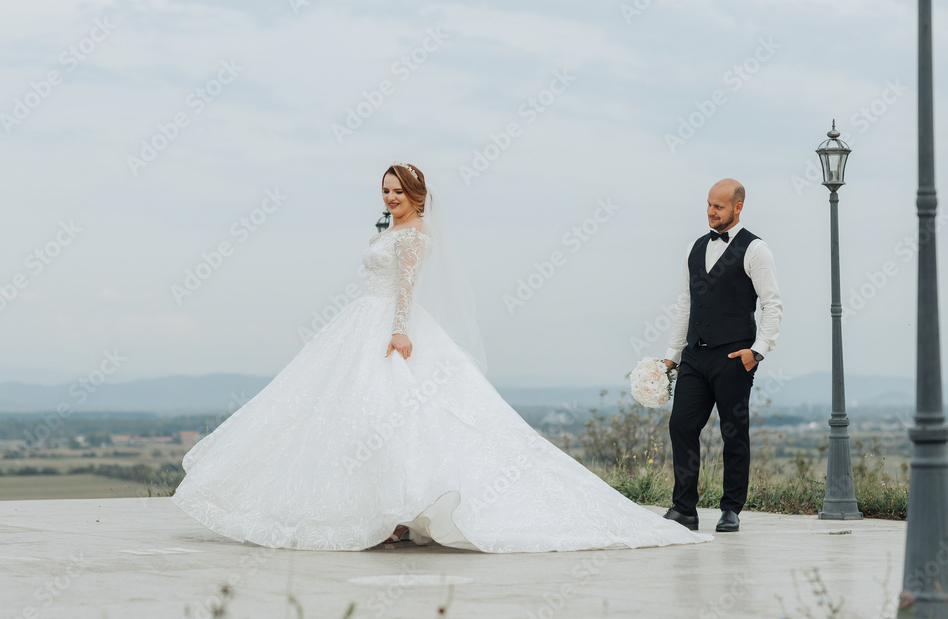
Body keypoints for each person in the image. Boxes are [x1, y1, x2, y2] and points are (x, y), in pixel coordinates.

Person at [172, 162, 711, 552]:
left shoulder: (413, 238)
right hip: (361, 321)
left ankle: (398, 515)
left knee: (396, 417)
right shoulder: (391, 230)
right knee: (354, 415)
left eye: (398, 191)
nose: (389, 198)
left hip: (391, 325)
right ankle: (387, 512)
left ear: (416, 195)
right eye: (385, 191)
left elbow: (407, 286)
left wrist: (401, 333)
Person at [662, 179, 782, 533]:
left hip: (734, 357)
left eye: (719, 206)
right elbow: (685, 303)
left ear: (738, 207)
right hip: (694, 357)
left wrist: (758, 351)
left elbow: (772, 303)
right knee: (681, 426)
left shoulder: (756, 249)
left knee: (734, 432)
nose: (711, 211)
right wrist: (672, 354)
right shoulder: (694, 248)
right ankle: (684, 508)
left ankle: (731, 509)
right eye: (709, 205)